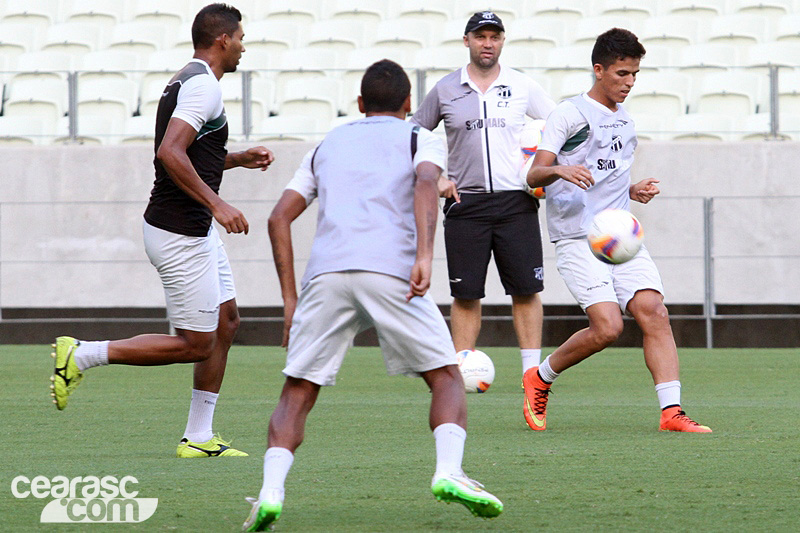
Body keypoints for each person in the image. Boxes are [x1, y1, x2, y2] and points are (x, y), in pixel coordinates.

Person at [242, 60, 503, 532]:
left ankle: (270, 493)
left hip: (327, 276)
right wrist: (425, 254)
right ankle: (449, 471)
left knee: (298, 389)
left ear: (360, 106)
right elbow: (426, 182)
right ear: (409, 106)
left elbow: (278, 217)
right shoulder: (418, 137)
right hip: (391, 272)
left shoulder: (328, 144)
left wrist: (289, 300)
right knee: (446, 375)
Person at [49, 3, 276, 456]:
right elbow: (169, 153)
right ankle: (82, 354)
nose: (244, 48)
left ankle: (198, 436)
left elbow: (187, 151)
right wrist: (218, 203)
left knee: (227, 322)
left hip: (193, 229)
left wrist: (235, 159)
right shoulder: (202, 87)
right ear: (223, 40)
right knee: (196, 343)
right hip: (180, 232)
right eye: (241, 39)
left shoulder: (188, 79)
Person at [525, 28, 712, 433]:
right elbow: (534, 173)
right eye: (622, 73)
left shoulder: (625, 121)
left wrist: (632, 190)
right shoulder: (569, 114)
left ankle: (672, 412)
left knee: (654, 312)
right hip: (578, 236)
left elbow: (605, 178)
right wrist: (559, 168)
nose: (629, 83)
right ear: (599, 70)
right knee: (608, 327)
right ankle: (540, 377)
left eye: (634, 75)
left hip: (620, 234)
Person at [410, 11, 556, 421]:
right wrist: (436, 179)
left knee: (526, 290)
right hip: (466, 204)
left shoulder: (522, 86)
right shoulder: (445, 89)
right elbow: (412, 135)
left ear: (503, 41)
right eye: (480, 36)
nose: (487, 43)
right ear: (467, 41)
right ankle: (460, 376)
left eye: (494, 36)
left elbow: (562, 125)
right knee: (466, 294)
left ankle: (533, 378)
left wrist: (544, 166)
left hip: (516, 202)